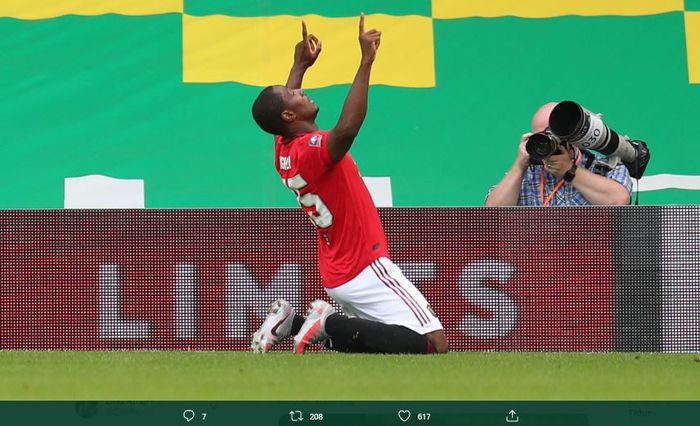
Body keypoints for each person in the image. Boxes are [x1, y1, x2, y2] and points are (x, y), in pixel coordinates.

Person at [250, 16, 448, 354]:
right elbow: (348, 129)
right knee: (434, 344)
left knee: (379, 339)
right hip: (364, 264)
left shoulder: (284, 149)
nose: (299, 91)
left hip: (338, 269)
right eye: (292, 94)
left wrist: (299, 65)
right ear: (287, 116)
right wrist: (366, 61)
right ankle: (325, 321)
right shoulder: (311, 151)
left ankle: (293, 323)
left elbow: (281, 114)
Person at [485, 102, 633, 206]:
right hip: (536, 250)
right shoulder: (525, 174)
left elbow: (619, 201)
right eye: (540, 135)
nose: (547, 142)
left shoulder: (603, 167)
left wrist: (570, 171)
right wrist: (519, 166)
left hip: (588, 250)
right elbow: (492, 215)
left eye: (552, 135)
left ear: (571, 138)